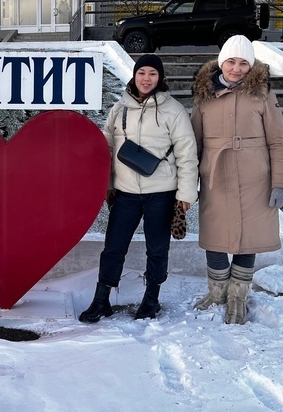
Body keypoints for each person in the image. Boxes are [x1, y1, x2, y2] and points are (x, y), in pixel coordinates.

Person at [79, 54, 198, 322]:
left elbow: (187, 155)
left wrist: (185, 194)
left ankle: (151, 299)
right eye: (141, 72)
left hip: (162, 192)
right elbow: (106, 149)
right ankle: (101, 300)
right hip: (126, 192)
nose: (146, 78)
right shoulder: (119, 109)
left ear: (161, 78)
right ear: (134, 75)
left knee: (157, 248)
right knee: (113, 247)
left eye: (152, 74)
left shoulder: (174, 111)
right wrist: (107, 185)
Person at [190, 35, 283, 324]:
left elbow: (278, 142)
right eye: (231, 61)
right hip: (216, 177)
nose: (236, 68)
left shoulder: (264, 95)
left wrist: (280, 182)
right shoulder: (204, 96)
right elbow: (192, 143)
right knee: (215, 237)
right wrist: (187, 183)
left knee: (250, 239)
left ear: (251, 65)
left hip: (255, 179)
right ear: (222, 62)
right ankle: (218, 290)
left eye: (243, 63)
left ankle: (238, 295)